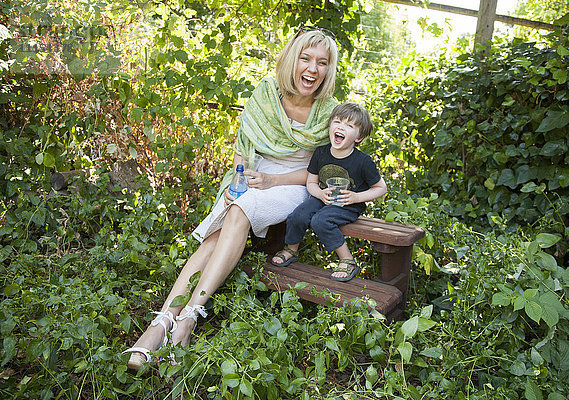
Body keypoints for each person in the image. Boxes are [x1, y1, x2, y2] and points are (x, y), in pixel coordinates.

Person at [123, 28, 339, 370]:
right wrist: (238, 180)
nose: (312, 68)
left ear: (329, 69)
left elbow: (317, 172)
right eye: (305, 58)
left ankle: (181, 320)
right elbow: (244, 148)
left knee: (239, 210)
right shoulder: (267, 93)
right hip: (253, 172)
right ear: (292, 59)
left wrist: (270, 180)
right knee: (219, 230)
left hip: (293, 182)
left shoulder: (329, 112)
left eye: (322, 62)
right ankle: (166, 323)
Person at [270, 103, 387, 281]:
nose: (341, 127)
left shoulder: (363, 161)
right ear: (330, 126)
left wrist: (356, 197)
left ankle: (347, 260)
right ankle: (291, 250)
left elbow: (381, 188)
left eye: (349, 126)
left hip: (348, 203)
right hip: (323, 197)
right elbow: (311, 181)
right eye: (337, 121)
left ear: (359, 137)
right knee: (298, 215)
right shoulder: (321, 153)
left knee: (321, 220)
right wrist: (319, 194)